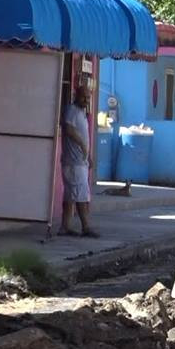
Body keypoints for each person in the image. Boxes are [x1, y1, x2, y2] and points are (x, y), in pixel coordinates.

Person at [60, 85, 99, 238]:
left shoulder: (82, 113)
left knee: (71, 194)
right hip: (73, 162)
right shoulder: (71, 110)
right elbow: (68, 129)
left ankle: (65, 226)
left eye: (88, 97)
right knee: (81, 195)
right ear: (77, 95)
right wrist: (82, 145)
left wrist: (88, 155)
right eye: (84, 97)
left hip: (80, 161)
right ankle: (86, 227)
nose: (86, 100)